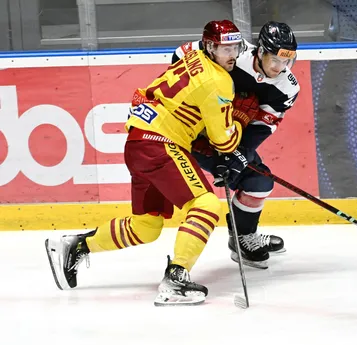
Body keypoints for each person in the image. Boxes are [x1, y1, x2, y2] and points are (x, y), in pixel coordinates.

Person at [44, 20, 257, 306]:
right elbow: (225, 142)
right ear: (210, 47)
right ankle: (176, 278)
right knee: (206, 204)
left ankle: (76, 245)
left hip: (138, 144)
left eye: (235, 47)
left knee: (146, 227)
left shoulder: (192, 57)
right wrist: (240, 123)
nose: (231, 54)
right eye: (224, 48)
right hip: (161, 145)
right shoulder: (218, 80)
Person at [172, 21, 300, 269]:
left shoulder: (287, 88)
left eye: (287, 62)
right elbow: (181, 53)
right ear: (260, 51)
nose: (279, 68)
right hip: (191, 136)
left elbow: (263, 124)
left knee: (259, 182)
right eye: (275, 60)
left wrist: (239, 155)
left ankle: (242, 237)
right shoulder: (234, 53)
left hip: (231, 137)